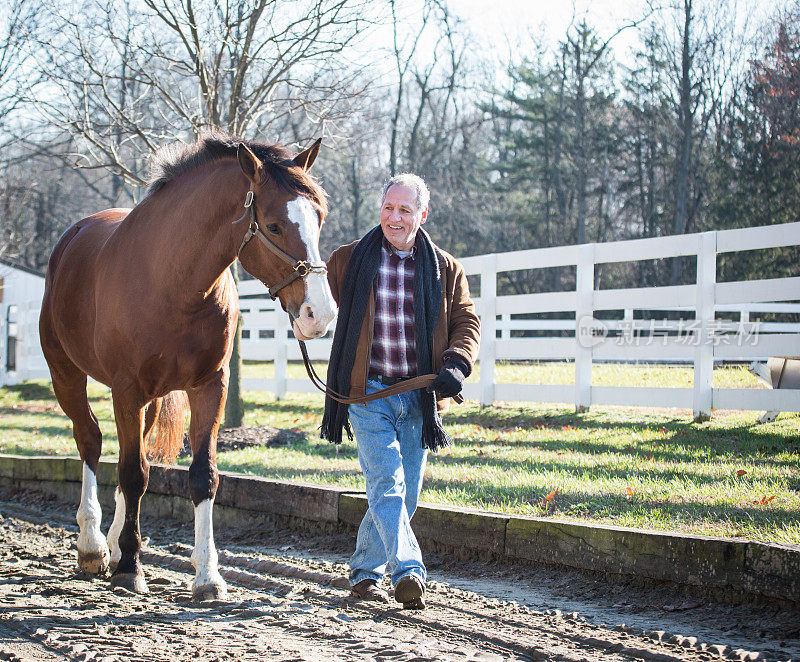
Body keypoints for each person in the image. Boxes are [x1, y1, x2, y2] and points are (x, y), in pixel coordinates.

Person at [321, 173, 480, 609]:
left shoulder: (445, 269)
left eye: (404, 210)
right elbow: (314, 294)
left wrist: (457, 363)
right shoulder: (348, 260)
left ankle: (364, 572)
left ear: (421, 215)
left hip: (418, 396)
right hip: (366, 394)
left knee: (404, 494)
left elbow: (467, 321)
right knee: (386, 484)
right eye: (388, 207)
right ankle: (408, 571)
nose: (394, 217)